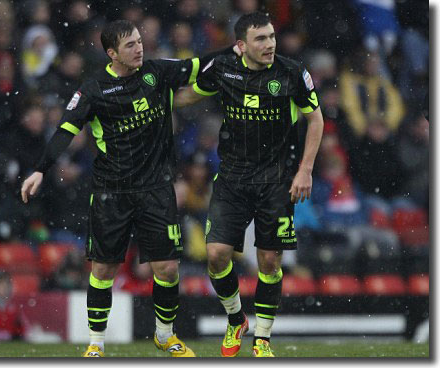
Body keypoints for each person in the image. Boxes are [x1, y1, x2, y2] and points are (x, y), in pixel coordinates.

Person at [21, 19, 237, 358]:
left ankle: (165, 335)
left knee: (166, 268)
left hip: (157, 188)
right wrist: (40, 170)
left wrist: (235, 50)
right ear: (112, 53)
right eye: (131, 45)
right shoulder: (93, 90)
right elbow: (66, 128)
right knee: (104, 269)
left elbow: (200, 65)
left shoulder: (156, 72)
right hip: (112, 191)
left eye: (139, 42)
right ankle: (96, 343)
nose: (139, 48)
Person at [174, 12, 324, 357]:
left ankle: (262, 338)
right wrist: (146, 95)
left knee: (270, 262)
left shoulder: (291, 72)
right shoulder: (224, 69)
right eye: (260, 39)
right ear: (241, 45)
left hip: (277, 180)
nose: (269, 44)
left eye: (271, 37)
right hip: (232, 177)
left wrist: (306, 170)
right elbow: (185, 97)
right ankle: (236, 318)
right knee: (216, 255)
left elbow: (315, 119)